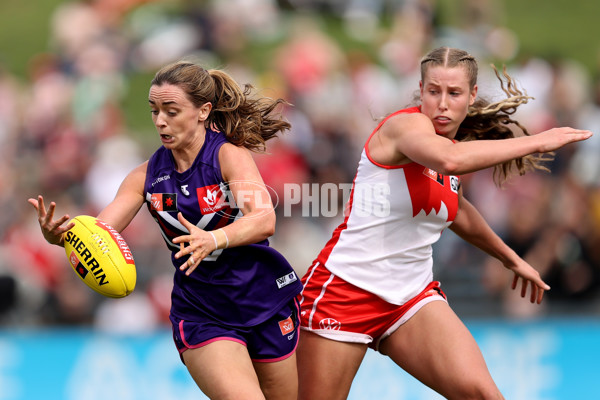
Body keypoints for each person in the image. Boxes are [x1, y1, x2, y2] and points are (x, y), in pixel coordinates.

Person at [296, 46, 593, 400]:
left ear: (472, 96)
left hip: (411, 297)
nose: (442, 102)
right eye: (433, 91)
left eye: (453, 93)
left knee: (484, 394)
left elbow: (458, 210)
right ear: (420, 90)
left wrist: (510, 258)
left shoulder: (447, 145)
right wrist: (538, 142)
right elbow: (451, 161)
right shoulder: (407, 128)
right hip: (344, 292)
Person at [28, 61, 303, 400]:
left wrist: (213, 238)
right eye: (155, 110)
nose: (160, 121)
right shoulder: (144, 177)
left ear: (203, 111)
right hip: (204, 312)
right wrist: (63, 237)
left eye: (171, 111)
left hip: (263, 300)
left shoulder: (228, 157)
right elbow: (100, 233)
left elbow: (263, 218)